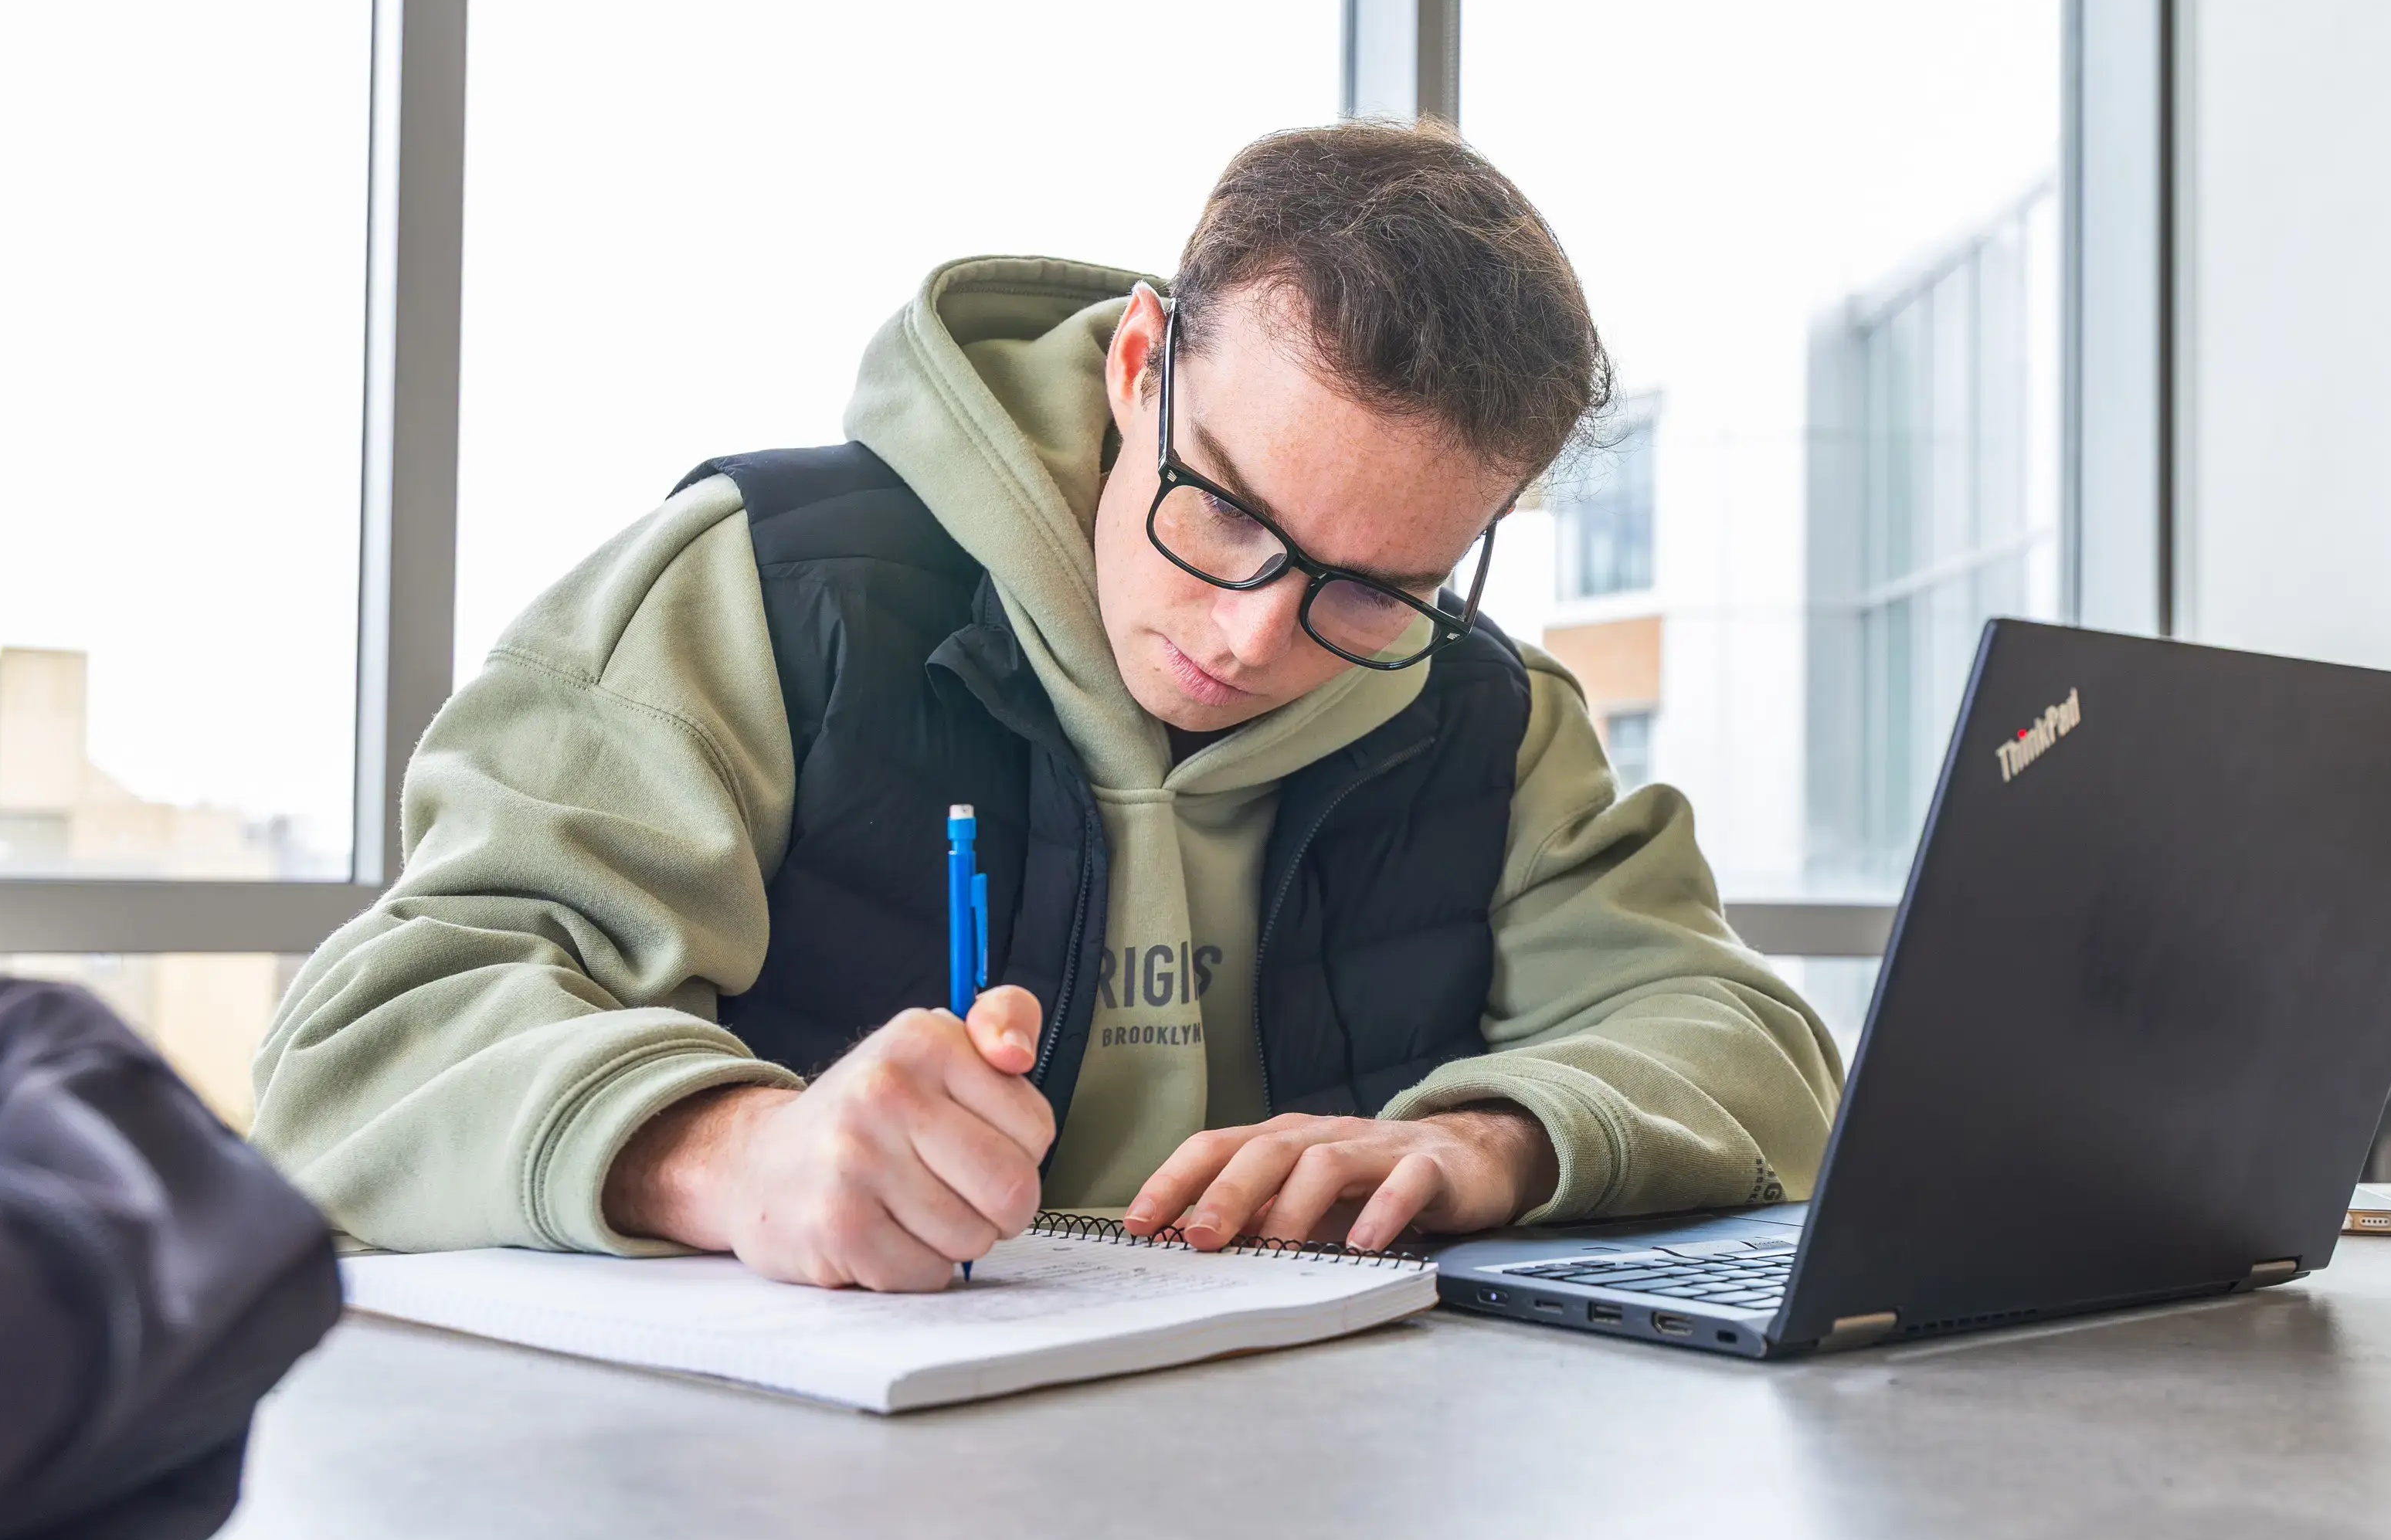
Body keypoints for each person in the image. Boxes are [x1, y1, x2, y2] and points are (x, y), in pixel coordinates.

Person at [251, 124, 1842, 1291]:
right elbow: (368, 1045)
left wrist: (1499, 1138)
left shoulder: (1494, 716)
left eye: (1372, 584)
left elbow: (1752, 1046)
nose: (1251, 632)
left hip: (1330, 1517)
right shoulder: (760, 593)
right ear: (1142, 360)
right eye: (1225, 511)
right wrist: (734, 1155)